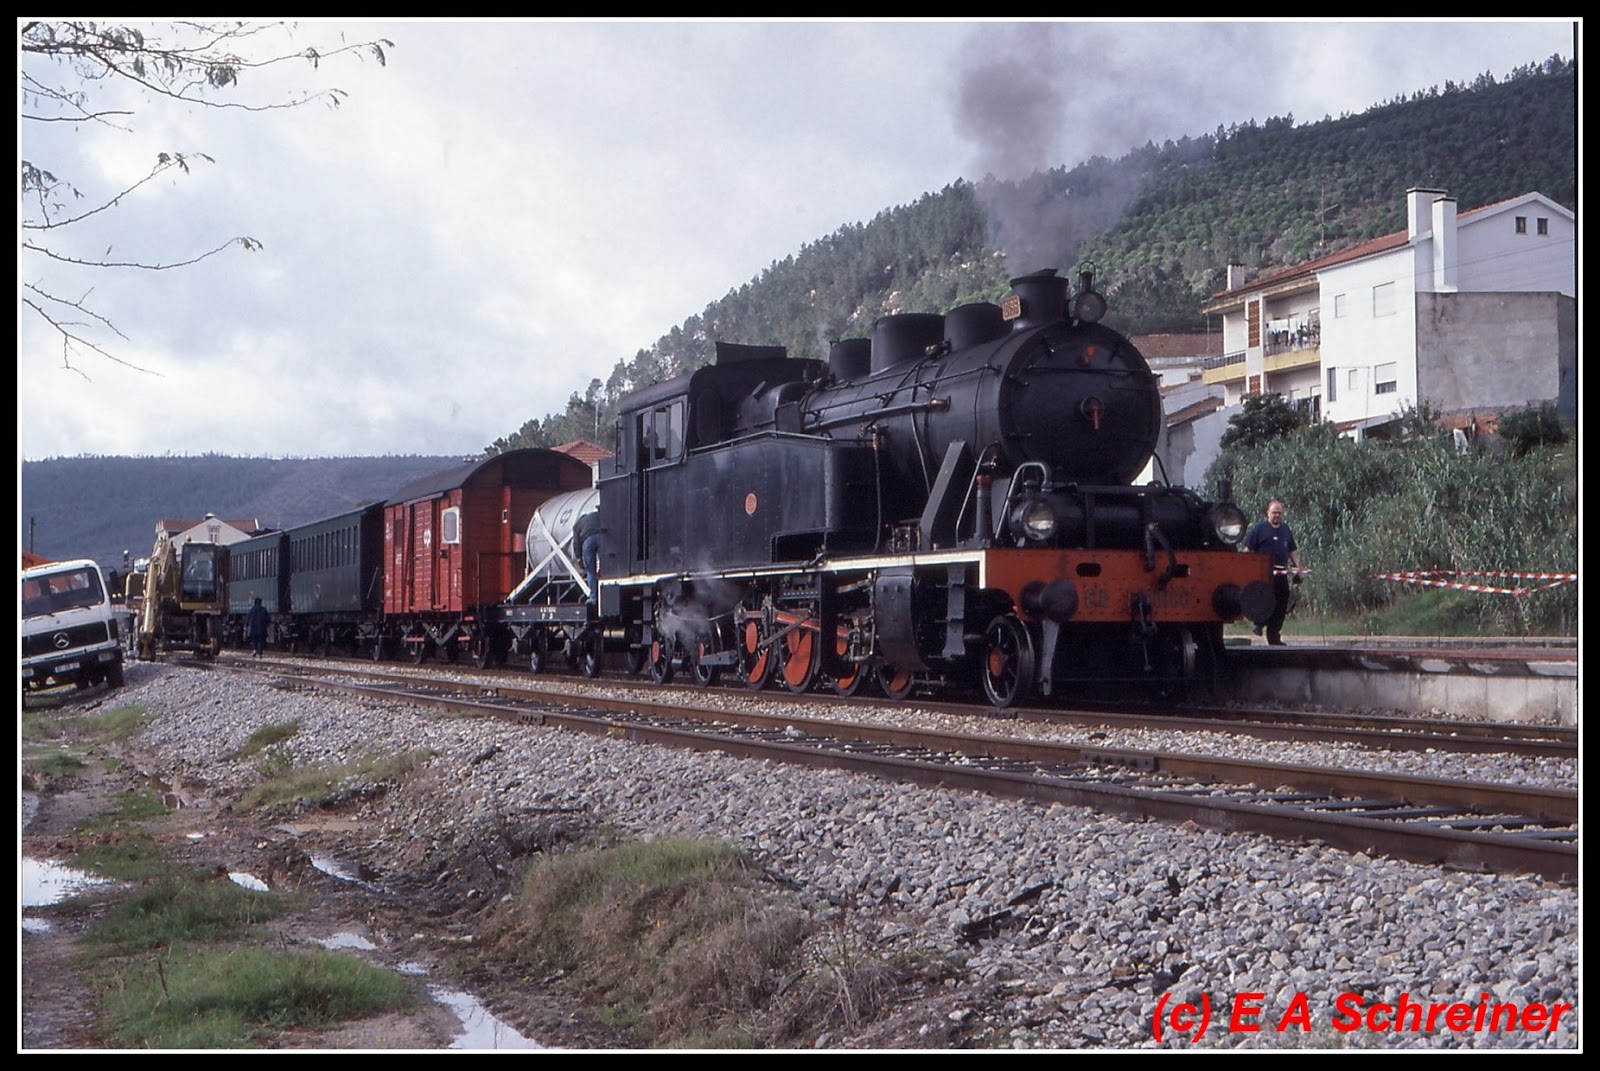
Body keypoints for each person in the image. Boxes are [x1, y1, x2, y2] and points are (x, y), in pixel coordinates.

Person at [1244, 500, 1301, 646]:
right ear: (1267, 513)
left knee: (1281, 603)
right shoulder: (1259, 529)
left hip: (1281, 575)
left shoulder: (1286, 530)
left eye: (1279, 513)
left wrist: (1297, 567)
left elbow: (1292, 550)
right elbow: (1247, 551)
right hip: (1263, 574)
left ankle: (1274, 637)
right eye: (1274, 512)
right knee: (1266, 601)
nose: (1277, 515)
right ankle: (1259, 623)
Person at [573, 508, 602, 603]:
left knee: (590, 571)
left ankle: (594, 597)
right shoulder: (596, 515)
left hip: (588, 541)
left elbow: (576, 543)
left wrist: (579, 559)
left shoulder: (577, 524)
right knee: (607, 565)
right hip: (602, 537)